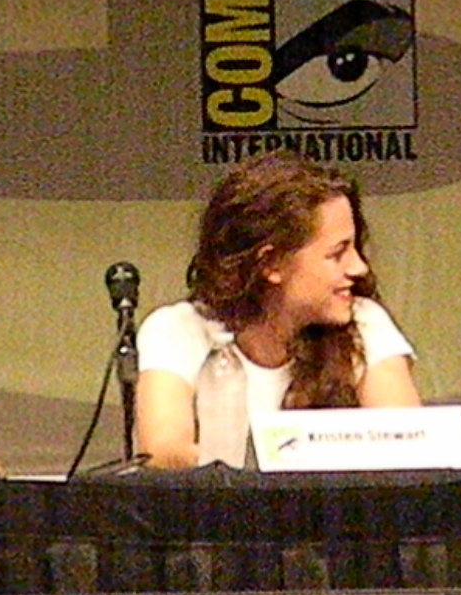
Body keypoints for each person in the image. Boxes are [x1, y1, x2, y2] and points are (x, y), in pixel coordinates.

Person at [135, 151, 421, 470]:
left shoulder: (365, 322)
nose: (359, 267)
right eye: (337, 253)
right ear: (271, 264)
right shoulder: (178, 328)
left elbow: (411, 452)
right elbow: (163, 453)